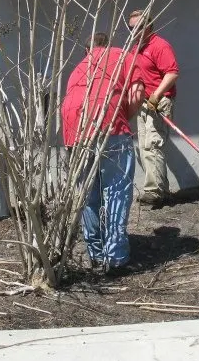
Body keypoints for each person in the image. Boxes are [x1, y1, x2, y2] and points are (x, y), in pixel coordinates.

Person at [61, 32, 144, 272]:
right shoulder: (121, 55)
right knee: (117, 189)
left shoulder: (79, 67)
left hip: (74, 129)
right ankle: (115, 257)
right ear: (106, 45)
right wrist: (123, 119)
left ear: (88, 50)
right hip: (108, 123)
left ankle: (95, 253)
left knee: (89, 195)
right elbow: (137, 94)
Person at [127, 10, 179, 207]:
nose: (133, 32)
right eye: (130, 28)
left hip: (159, 102)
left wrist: (156, 95)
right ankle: (161, 189)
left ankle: (154, 192)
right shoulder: (136, 49)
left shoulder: (160, 46)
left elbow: (172, 73)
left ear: (148, 26)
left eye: (137, 27)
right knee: (144, 146)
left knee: (153, 145)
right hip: (143, 103)